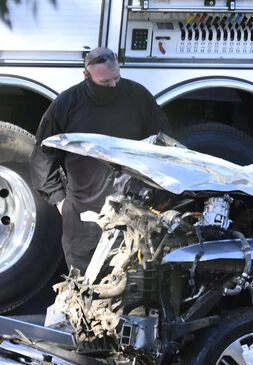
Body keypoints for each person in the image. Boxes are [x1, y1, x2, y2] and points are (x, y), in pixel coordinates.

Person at [30, 47, 171, 274]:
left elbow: (164, 144)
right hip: (82, 215)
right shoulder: (66, 104)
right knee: (82, 285)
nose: (113, 86)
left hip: (131, 212)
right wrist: (60, 201)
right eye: (105, 82)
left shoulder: (137, 97)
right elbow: (42, 157)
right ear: (87, 76)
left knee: (129, 285)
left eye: (117, 78)